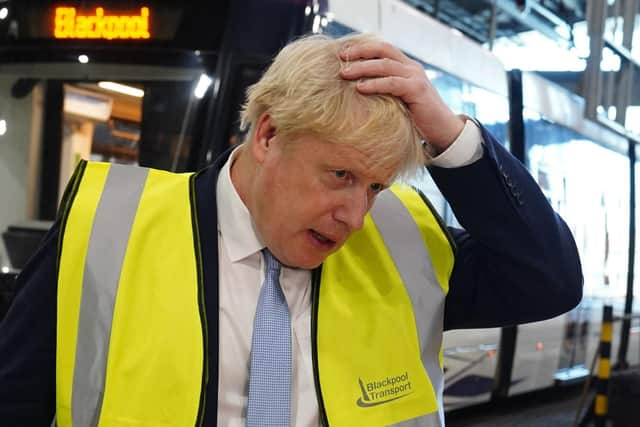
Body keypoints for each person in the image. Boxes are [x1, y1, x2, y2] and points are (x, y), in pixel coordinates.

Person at [0, 33, 582, 427]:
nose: (355, 217)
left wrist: (452, 138)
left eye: (375, 187)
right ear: (270, 135)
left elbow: (548, 281)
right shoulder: (110, 232)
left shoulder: (403, 245)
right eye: (340, 175)